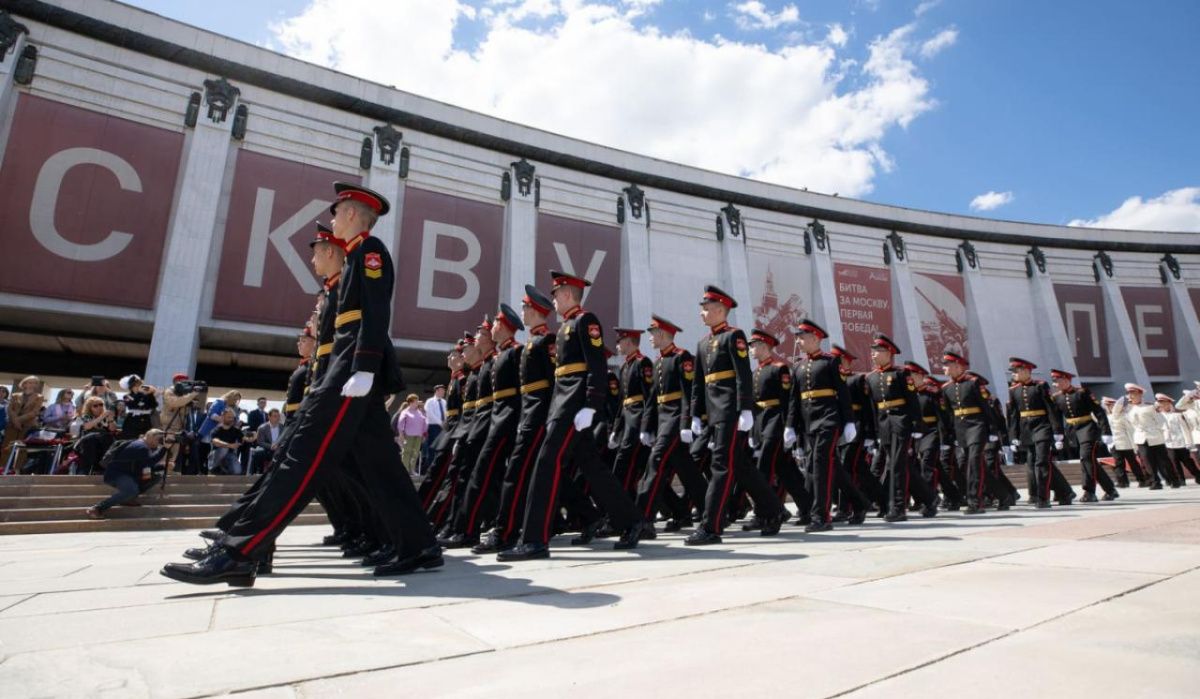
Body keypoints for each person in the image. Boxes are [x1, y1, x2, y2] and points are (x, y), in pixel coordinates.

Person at [163, 181, 439, 586]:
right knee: (381, 468)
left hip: (348, 374)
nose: (332, 219)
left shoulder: (370, 250)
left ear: (350, 214)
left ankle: (241, 548)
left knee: (302, 458)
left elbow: (376, 313)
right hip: (343, 372)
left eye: (335, 212)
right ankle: (419, 546)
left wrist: (363, 368)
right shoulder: (357, 255)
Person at [498, 270, 644, 561]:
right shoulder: (567, 326)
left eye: (555, 294)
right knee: (593, 468)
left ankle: (534, 540)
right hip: (563, 403)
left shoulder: (585, 321)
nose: (552, 300)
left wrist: (591, 404)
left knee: (546, 464)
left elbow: (596, 366)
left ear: (566, 293)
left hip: (574, 404)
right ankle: (632, 521)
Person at [681, 286, 784, 544]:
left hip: (729, 411)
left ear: (720, 310)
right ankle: (773, 510)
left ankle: (711, 526)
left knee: (721, 466)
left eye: (706, 308)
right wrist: (696, 414)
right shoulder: (703, 343)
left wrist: (745, 408)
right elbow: (699, 383)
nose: (702, 313)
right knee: (740, 466)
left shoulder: (733, 336)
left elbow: (743, 375)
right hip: (714, 414)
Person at [473, 286, 555, 553]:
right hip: (528, 414)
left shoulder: (545, 342)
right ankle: (510, 530)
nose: (522, 312)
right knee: (520, 473)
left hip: (539, 414)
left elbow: (554, 384)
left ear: (535, 311)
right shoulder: (532, 342)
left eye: (525, 307)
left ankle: (507, 531)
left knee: (518, 473)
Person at [445, 304, 524, 548]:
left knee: (487, 475)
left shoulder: (515, 353)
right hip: (492, 422)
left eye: (493, 326)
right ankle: (468, 527)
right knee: (488, 476)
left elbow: (521, 392)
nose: (480, 335)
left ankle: (472, 529)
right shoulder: (499, 357)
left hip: (504, 421)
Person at [786, 319, 856, 532]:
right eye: (797, 337)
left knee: (821, 464)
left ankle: (821, 516)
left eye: (802, 337)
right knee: (815, 466)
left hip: (828, 419)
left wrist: (849, 421)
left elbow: (842, 393)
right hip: (809, 422)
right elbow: (794, 400)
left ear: (816, 338)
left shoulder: (830, 362)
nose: (798, 341)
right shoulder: (798, 365)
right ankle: (859, 503)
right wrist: (790, 426)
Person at [865, 334, 939, 521]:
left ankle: (898, 507)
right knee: (903, 465)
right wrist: (874, 432)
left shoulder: (901, 374)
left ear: (888, 353)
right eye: (872, 351)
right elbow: (873, 407)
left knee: (897, 465)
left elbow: (912, 401)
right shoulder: (871, 378)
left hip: (901, 422)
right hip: (884, 424)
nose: (873, 354)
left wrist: (915, 424)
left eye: (877, 351)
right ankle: (930, 498)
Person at [941, 352, 1003, 514]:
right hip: (961, 428)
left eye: (947, 365)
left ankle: (975, 501)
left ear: (958, 366)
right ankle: (1004, 495)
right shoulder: (946, 388)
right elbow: (948, 414)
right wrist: (949, 435)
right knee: (973, 464)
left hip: (977, 426)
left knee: (974, 462)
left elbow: (986, 408)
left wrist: (992, 430)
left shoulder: (973, 383)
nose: (944, 368)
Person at [1050, 369, 1118, 501]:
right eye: (1054, 381)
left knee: (1086, 458)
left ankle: (1089, 492)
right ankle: (1110, 489)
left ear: (1066, 380)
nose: (1055, 384)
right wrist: (1058, 435)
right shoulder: (1057, 397)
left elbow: (1099, 412)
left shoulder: (1082, 392)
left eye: (1057, 381)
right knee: (1090, 461)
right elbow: (1056, 418)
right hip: (1073, 431)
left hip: (1088, 428)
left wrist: (1106, 432)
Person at [1006, 358, 1062, 507]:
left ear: (1026, 371)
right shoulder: (1013, 390)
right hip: (1026, 430)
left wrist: (1057, 431)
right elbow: (1013, 415)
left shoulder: (1040, 386)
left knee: (1041, 461)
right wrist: (1013, 436)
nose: (1014, 374)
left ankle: (1044, 497)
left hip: (1042, 426)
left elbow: (1051, 409)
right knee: (1030, 463)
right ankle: (1035, 494)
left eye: (1016, 371)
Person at [85, 429, 169, 519]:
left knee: (155, 477)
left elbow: (144, 466)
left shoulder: (141, 445)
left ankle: (127, 498)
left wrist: (163, 467)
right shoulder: (141, 447)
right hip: (117, 474)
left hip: (128, 474)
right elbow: (150, 462)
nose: (159, 443)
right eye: (159, 440)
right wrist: (164, 449)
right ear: (151, 438)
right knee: (131, 490)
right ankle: (97, 508)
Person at [1113, 384, 1177, 489]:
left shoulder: (1150, 407)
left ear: (1140, 394)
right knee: (1147, 461)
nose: (1131, 396)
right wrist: (1121, 401)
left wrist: (1165, 436)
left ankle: (1173, 479)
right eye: (1129, 394)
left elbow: (1161, 422)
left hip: (1155, 437)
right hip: (1140, 438)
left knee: (1163, 461)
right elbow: (1116, 413)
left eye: (1134, 394)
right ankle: (1155, 482)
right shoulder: (1128, 410)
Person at [2, 376, 44, 469]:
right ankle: (3, 468)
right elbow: (10, 409)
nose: (32, 384)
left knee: (22, 448)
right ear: (24, 383)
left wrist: (19, 420)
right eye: (30, 382)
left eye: (34, 383)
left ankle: (17, 470)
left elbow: (35, 412)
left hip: (27, 426)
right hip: (12, 425)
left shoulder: (39, 397)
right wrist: (15, 420)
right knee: (7, 447)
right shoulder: (15, 395)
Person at [74, 396, 117, 475]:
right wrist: (102, 417)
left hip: (104, 442)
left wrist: (110, 419)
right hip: (87, 442)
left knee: (108, 438)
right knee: (93, 439)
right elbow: (87, 426)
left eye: (101, 405)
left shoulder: (106, 418)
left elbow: (113, 429)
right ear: (90, 408)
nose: (99, 407)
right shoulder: (86, 416)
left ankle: (104, 468)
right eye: (95, 406)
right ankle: (84, 472)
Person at [394, 394, 427, 474]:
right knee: (407, 452)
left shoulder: (420, 412)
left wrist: (424, 434)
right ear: (410, 402)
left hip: (418, 435)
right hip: (408, 435)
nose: (417, 402)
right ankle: (404, 470)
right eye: (416, 401)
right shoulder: (405, 412)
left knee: (415, 453)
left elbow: (424, 422)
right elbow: (400, 424)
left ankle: (411, 470)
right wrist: (401, 434)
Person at [118, 375, 159, 439]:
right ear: (131, 387)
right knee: (130, 439)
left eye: (140, 384)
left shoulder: (145, 395)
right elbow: (133, 404)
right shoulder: (127, 396)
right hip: (133, 420)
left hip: (145, 420)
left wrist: (150, 394)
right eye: (136, 385)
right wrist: (139, 393)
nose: (138, 387)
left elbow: (154, 405)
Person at [207, 408, 245, 475]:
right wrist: (229, 445)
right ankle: (213, 468)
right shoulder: (216, 430)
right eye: (229, 417)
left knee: (237, 471)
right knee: (224, 449)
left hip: (230, 455)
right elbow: (215, 441)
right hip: (217, 454)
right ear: (223, 417)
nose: (231, 419)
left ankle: (224, 469)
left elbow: (245, 438)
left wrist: (253, 436)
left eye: (232, 417)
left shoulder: (236, 430)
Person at [250, 408, 284, 475]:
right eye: (275, 416)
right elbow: (260, 442)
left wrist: (279, 446)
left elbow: (285, 439)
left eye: (278, 416)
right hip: (267, 449)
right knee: (258, 454)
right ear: (269, 417)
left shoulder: (283, 427)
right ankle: (257, 473)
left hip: (279, 449)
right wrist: (271, 446)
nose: (277, 418)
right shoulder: (262, 428)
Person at [422, 385, 447, 475]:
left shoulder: (444, 402)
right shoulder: (430, 401)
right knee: (432, 449)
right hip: (433, 427)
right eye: (442, 390)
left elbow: (447, 413)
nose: (444, 392)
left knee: (441, 448)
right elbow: (430, 414)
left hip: (443, 428)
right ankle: (428, 470)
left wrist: (446, 423)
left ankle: (437, 470)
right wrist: (441, 423)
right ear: (437, 391)